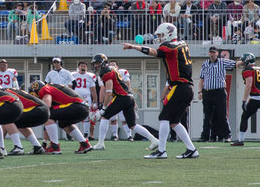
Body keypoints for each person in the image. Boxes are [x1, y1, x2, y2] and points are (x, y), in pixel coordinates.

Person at [122, 22, 199, 159]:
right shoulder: (183, 44)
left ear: (170, 34)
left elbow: (154, 52)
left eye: (161, 35)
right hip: (187, 87)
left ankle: (162, 151)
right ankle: (192, 150)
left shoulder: (169, 46)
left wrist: (134, 47)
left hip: (179, 86)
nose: (159, 38)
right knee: (174, 121)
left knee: (164, 117)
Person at [90, 54, 159, 151]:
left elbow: (109, 92)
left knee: (105, 116)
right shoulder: (112, 68)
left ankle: (100, 143)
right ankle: (154, 140)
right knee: (132, 125)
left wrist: (103, 109)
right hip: (129, 97)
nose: (95, 65)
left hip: (121, 97)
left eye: (97, 63)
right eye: (95, 63)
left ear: (103, 62)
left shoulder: (105, 71)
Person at [28, 80, 92, 154]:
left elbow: (47, 106)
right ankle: (84, 144)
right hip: (83, 107)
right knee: (63, 123)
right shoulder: (51, 87)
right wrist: (44, 142)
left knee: (46, 113)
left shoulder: (44, 89)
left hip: (77, 106)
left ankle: (55, 146)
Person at [196, 46, 235, 142]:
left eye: (214, 52)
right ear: (209, 53)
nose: (212, 54)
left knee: (222, 114)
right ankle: (206, 136)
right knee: (207, 115)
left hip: (219, 91)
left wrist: (243, 62)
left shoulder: (222, 61)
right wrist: (200, 92)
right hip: (208, 91)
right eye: (210, 52)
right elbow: (201, 79)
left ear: (217, 53)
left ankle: (226, 135)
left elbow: (235, 64)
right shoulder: (205, 64)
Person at [71, 61, 98, 139]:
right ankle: (73, 134)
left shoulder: (90, 76)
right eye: (81, 66)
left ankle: (86, 133)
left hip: (86, 98)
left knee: (86, 115)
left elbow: (93, 90)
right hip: (76, 97)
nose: (83, 67)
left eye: (84, 66)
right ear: (78, 67)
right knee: (74, 115)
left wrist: (95, 101)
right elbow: (69, 87)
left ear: (87, 67)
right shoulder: (73, 75)